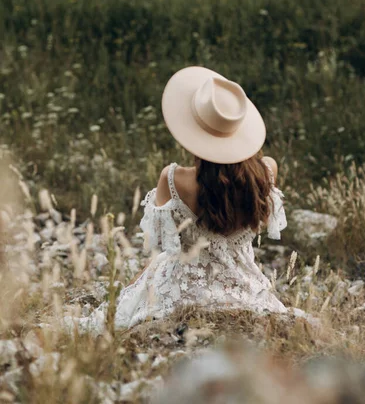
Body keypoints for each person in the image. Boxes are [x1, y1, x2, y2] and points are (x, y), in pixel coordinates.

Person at [67, 66, 287, 334]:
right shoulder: (267, 172)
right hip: (244, 287)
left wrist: (137, 284)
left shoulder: (174, 179)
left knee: (120, 309)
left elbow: (161, 245)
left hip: (183, 289)